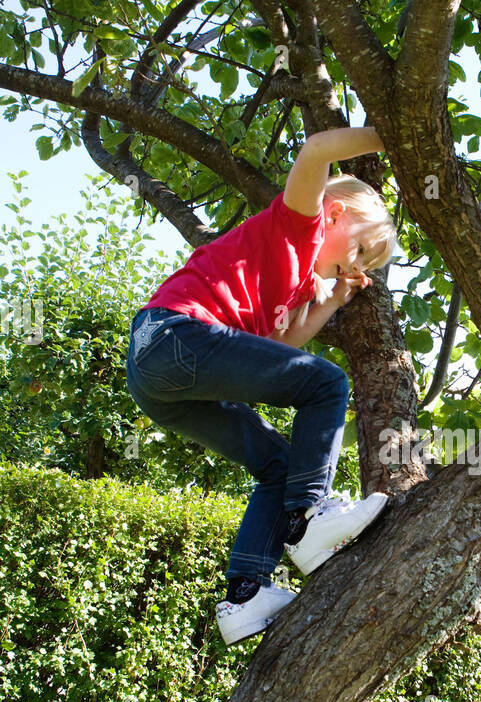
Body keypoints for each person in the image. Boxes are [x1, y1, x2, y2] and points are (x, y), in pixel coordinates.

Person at [126, 126, 396, 645]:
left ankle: (246, 593)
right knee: (329, 384)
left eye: (368, 266)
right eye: (362, 250)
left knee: (279, 466)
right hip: (173, 335)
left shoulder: (296, 285)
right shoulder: (300, 224)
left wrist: (334, 300)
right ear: (334, 214)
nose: (360, 268)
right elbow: (316, 149)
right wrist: (392, 134)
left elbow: (283, 347)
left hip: (166, 385)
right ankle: (309, 517)